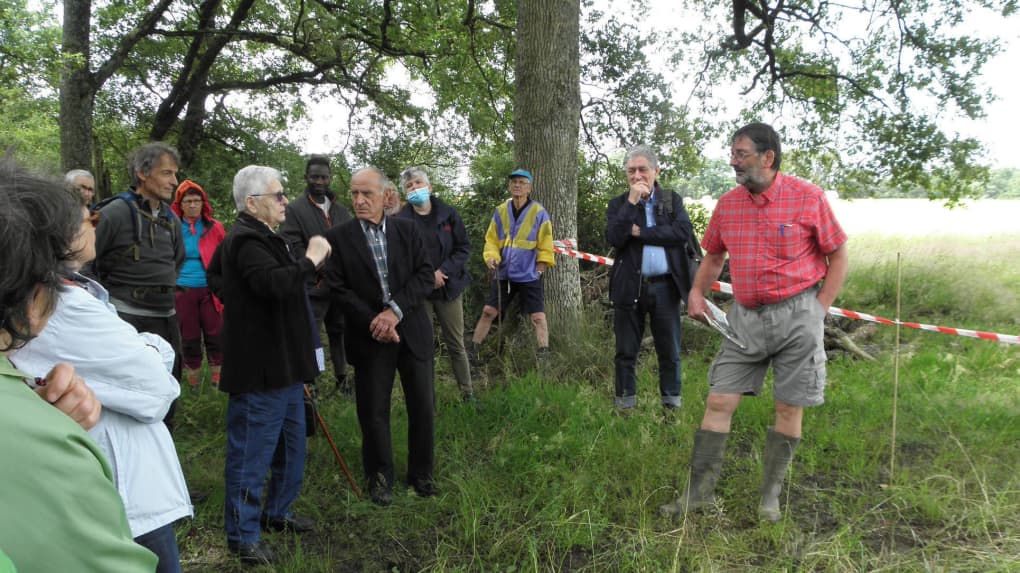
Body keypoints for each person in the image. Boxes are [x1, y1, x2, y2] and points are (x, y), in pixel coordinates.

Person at [659, 123, 849, 523]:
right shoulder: (728, 205)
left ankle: (769, 500)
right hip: (743, 318)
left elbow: (838, 255)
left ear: (768, 157)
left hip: (798, 315)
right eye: (732, 154)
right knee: (719, 400)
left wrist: (819, 309)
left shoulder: (808, 197)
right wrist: (696, 293)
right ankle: (698, 495)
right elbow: (714, 257)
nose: (734, 161)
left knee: (788, 407)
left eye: (741, 154)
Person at [11, 204, 193, 573]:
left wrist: (137, 348)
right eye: (89, 219)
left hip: (110, 481)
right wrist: (154, 346)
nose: (97, 224)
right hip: (125, 488)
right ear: (63, 234)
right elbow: (158, 391)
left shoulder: (69, 294)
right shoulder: (64, 306)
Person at [0, 159, 158, 572]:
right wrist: (39, 433)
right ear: (36, 301)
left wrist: (33, 408)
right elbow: (158, 386)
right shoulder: (53, 452)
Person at [207, 165, 330, 565]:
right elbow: (274, 284)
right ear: (251, 203)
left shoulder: (266, 237)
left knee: (292, 446)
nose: (284, 201)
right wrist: (310, 260)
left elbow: (221, 278)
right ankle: (242, 536)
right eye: (277, 195)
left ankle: (278, 512)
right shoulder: (244, 240)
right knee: (251, 454)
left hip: (286, 366)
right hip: (260, 371)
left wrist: (244, 301)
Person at [324, 167, 436, 506]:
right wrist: (375, 320)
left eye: (366, 194)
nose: (359, 200)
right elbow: (337, 287)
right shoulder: (338, 237)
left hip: (411, 330)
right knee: (373, 410)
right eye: (354, 193)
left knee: (423, 406)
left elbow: (425, 274)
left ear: (385, 195)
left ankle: (421, 475)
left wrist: (394, 312)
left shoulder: (408, 229)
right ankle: (379, 478)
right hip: (368, 335)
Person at [91, 142, 185, 429]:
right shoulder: (115, 213)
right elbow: (86, 263)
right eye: (166, 173)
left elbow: (177, 261)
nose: (174, 181)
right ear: (143, 174)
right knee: (128, 393)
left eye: (175, 174)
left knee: (167, 391)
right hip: (126, 318)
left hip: (166, 318)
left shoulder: (172, 219)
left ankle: (163, 446)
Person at [606, 145, 697, 412]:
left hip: (665, 287)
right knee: (625, 352)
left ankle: (671, 408)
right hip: (629, 287)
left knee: (669, 351)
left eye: (642, 169)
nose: (637, 176)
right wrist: (632, 203)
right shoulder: (619, 204)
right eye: (631, 171)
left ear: (656, 171)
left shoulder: (670, 200)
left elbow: (681, 233)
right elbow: (614, 237)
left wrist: (640, 232)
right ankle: (625, 407)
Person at [396, 166, 475, 402]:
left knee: (456, 344)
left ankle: (468, 393)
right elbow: (401, 259)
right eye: (409, 186)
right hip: (420, 293)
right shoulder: (400, 221)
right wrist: (428, 277)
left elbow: (463, 248)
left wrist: (443, 271)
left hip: (449, 288)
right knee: (423, 346)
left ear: (429, 187)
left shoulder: (449, 214)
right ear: (405, 193)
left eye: (418, 183)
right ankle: (425, 397)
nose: (414, 188)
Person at [279, 155, 353, 395]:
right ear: (306, 178)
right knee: (310, 335)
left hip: (339, 286)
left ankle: (343, 380)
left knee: (339, 333)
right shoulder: (294, 209)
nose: (319, 181)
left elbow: (351, 243)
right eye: (314, 177)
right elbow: (292, 244)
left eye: (323, 177)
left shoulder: (341, 210)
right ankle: (310, 384)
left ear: (330, 178)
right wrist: (316, 265)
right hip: (312, 285)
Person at [468, 169, 555, 362]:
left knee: (538, 317)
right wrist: (491, 257)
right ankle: (472, 353)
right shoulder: (500, 211)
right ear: (509, 186)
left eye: (522, 182)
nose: (517, 185)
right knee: (488, 312)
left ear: (529, 188)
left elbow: (546, 242)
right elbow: (491, 240)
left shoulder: (539, 212)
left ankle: (544, 357)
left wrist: (540, 269)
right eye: (514, 182)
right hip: (504, 273)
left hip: (529, 274)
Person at [171, 180, 226, 388]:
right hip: (183, 288)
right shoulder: (173, 227)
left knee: (216, 334)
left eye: (196, 200)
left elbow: (226, 256)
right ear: (180, 204)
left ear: (203, 203)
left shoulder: (215, 227)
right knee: (189, 336)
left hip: (210, 288)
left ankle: (216, 382)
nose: (193, 205)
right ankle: (193, 383)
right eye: (188, 201)